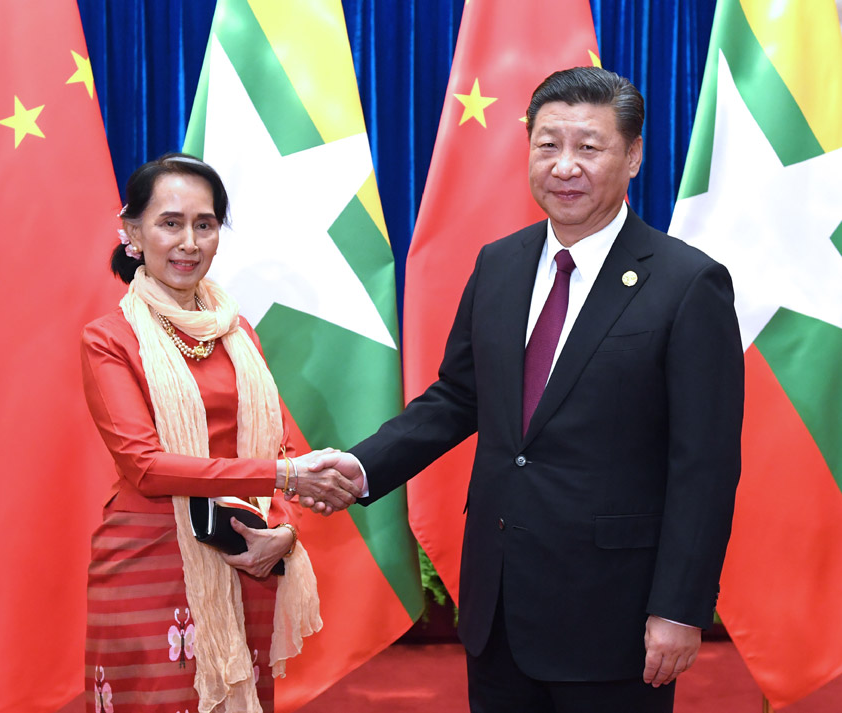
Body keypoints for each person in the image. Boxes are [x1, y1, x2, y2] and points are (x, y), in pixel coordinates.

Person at [306, 67, 744, 712]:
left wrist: (679, 608)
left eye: (588, 148)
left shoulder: (687, 283)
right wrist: (363, 465)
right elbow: (459, 397)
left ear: (634, 156)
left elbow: (704, 466)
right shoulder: (500, 263)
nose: (564, 166)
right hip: (499, 604)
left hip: (614, 612)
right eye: (547, 145)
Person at [81, 153, 359, 713]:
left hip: (244, 553)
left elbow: (282, 443)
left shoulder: (237, 332)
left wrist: (285, 529)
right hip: (150, 560)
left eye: (204, 225)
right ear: (132, 232)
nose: (189, 241)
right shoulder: (108, 339)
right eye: (170, 223)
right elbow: (147, 466)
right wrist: (281, 476)